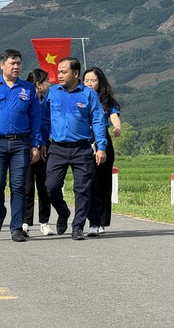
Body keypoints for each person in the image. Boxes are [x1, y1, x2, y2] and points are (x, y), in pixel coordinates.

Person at [0, 49, 42, 242]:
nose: (16, 67)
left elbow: (36, 117)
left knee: (19, 186)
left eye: (19, 63)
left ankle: (16, 227)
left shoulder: (28, 89)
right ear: (2, 64)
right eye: (12, 63)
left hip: (21, 143)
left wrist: (36, 144)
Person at [42, 57, 108, 241]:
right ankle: (63, 212)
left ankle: (78, 226)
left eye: (64, 72)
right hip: (57, 148)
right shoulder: (53, 92)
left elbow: (98, 121)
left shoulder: (88, 94)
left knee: (82, 189)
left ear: (76, 73)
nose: (59, 75)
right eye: (58, 71)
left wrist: (101, 147)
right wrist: (40, 143)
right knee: (51, 187)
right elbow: (44, 120)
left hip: (82, 148)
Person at [83, 67, 121, 237]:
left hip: (103, 141)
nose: (90, 83)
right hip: (84, 140)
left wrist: (117, 127)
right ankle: (93, 220)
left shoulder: (105, 100)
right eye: (87, 80)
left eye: (93, 80)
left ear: (100, 82)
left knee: (104, 182)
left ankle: (102, 221)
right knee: (90, 183)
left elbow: (113, 116)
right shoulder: (79, 97)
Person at [23, 69, 55, 236]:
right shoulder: (25, 100)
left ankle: (44, 221)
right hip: (27, 146)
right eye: (46, 81)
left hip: (45, 146)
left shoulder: (47, 100)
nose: (49, 84)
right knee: (27, 187)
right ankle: (25, 222)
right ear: (38, 84)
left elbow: (47, 123)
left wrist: (44, 143)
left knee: (44, 186)